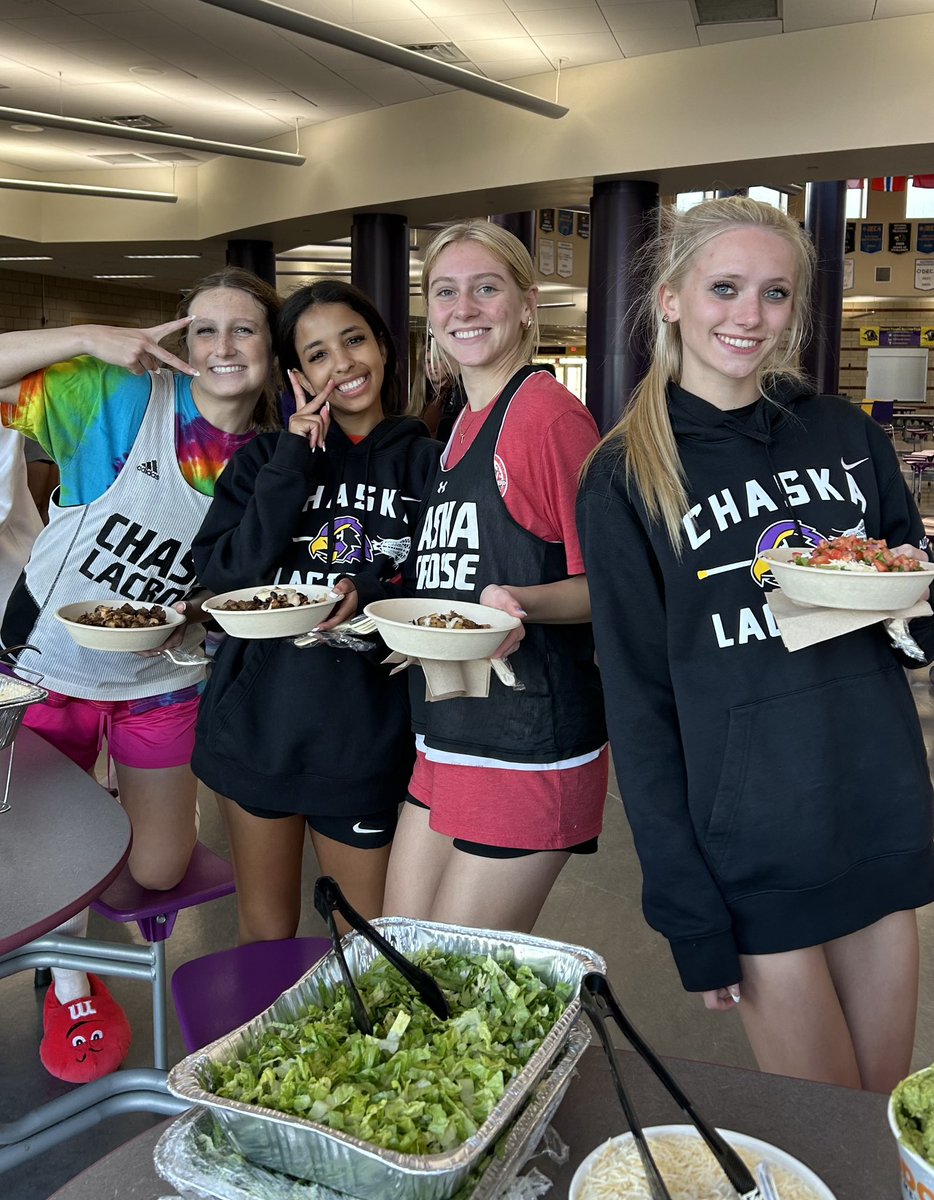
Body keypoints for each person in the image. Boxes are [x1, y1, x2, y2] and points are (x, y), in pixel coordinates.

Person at [577, 196, 934, 1091]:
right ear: (670, 299)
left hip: (877, 806)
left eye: (775, 293)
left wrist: (918, 606)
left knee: (883, 1120)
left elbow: (911, 600)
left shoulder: (848, 435)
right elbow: (640, 702)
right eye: (725, 287)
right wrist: (687, 910)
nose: (750, 316)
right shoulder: (625, 475)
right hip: (756, 846)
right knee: (827, 1132)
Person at [0, 266, 281, 1083]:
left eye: (244, 330)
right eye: (204, 330)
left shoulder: (274, 456)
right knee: (36, 863)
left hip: (164, 677)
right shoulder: (119, 400)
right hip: (47, 666)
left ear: (270, 349)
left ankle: (100, 840)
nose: (223, 346)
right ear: (181, 342)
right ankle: (72, 978)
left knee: (154, 868)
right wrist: (88, 336)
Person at [191, 280, 440, 942]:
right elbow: (221, 579)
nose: (344, 364)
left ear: (384, 349)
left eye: (354, 340)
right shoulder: (267, 462)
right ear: (298, 375)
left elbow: (448, 587)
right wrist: (294, 460)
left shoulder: (430, 465)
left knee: (368, 944)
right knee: (265, 931)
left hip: (366, 740)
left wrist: (376, 591)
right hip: (255, 729)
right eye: (319, 354)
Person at [381, 221, 608, 934]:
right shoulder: (460, 421)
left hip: (527, 741)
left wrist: (522, 605)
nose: (465, 308)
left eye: (487, 288)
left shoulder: (546, 417)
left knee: (455, 989)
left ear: (526, 303)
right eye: (446, 292)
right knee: (401, 953)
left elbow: (609, 585)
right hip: (448, 726)